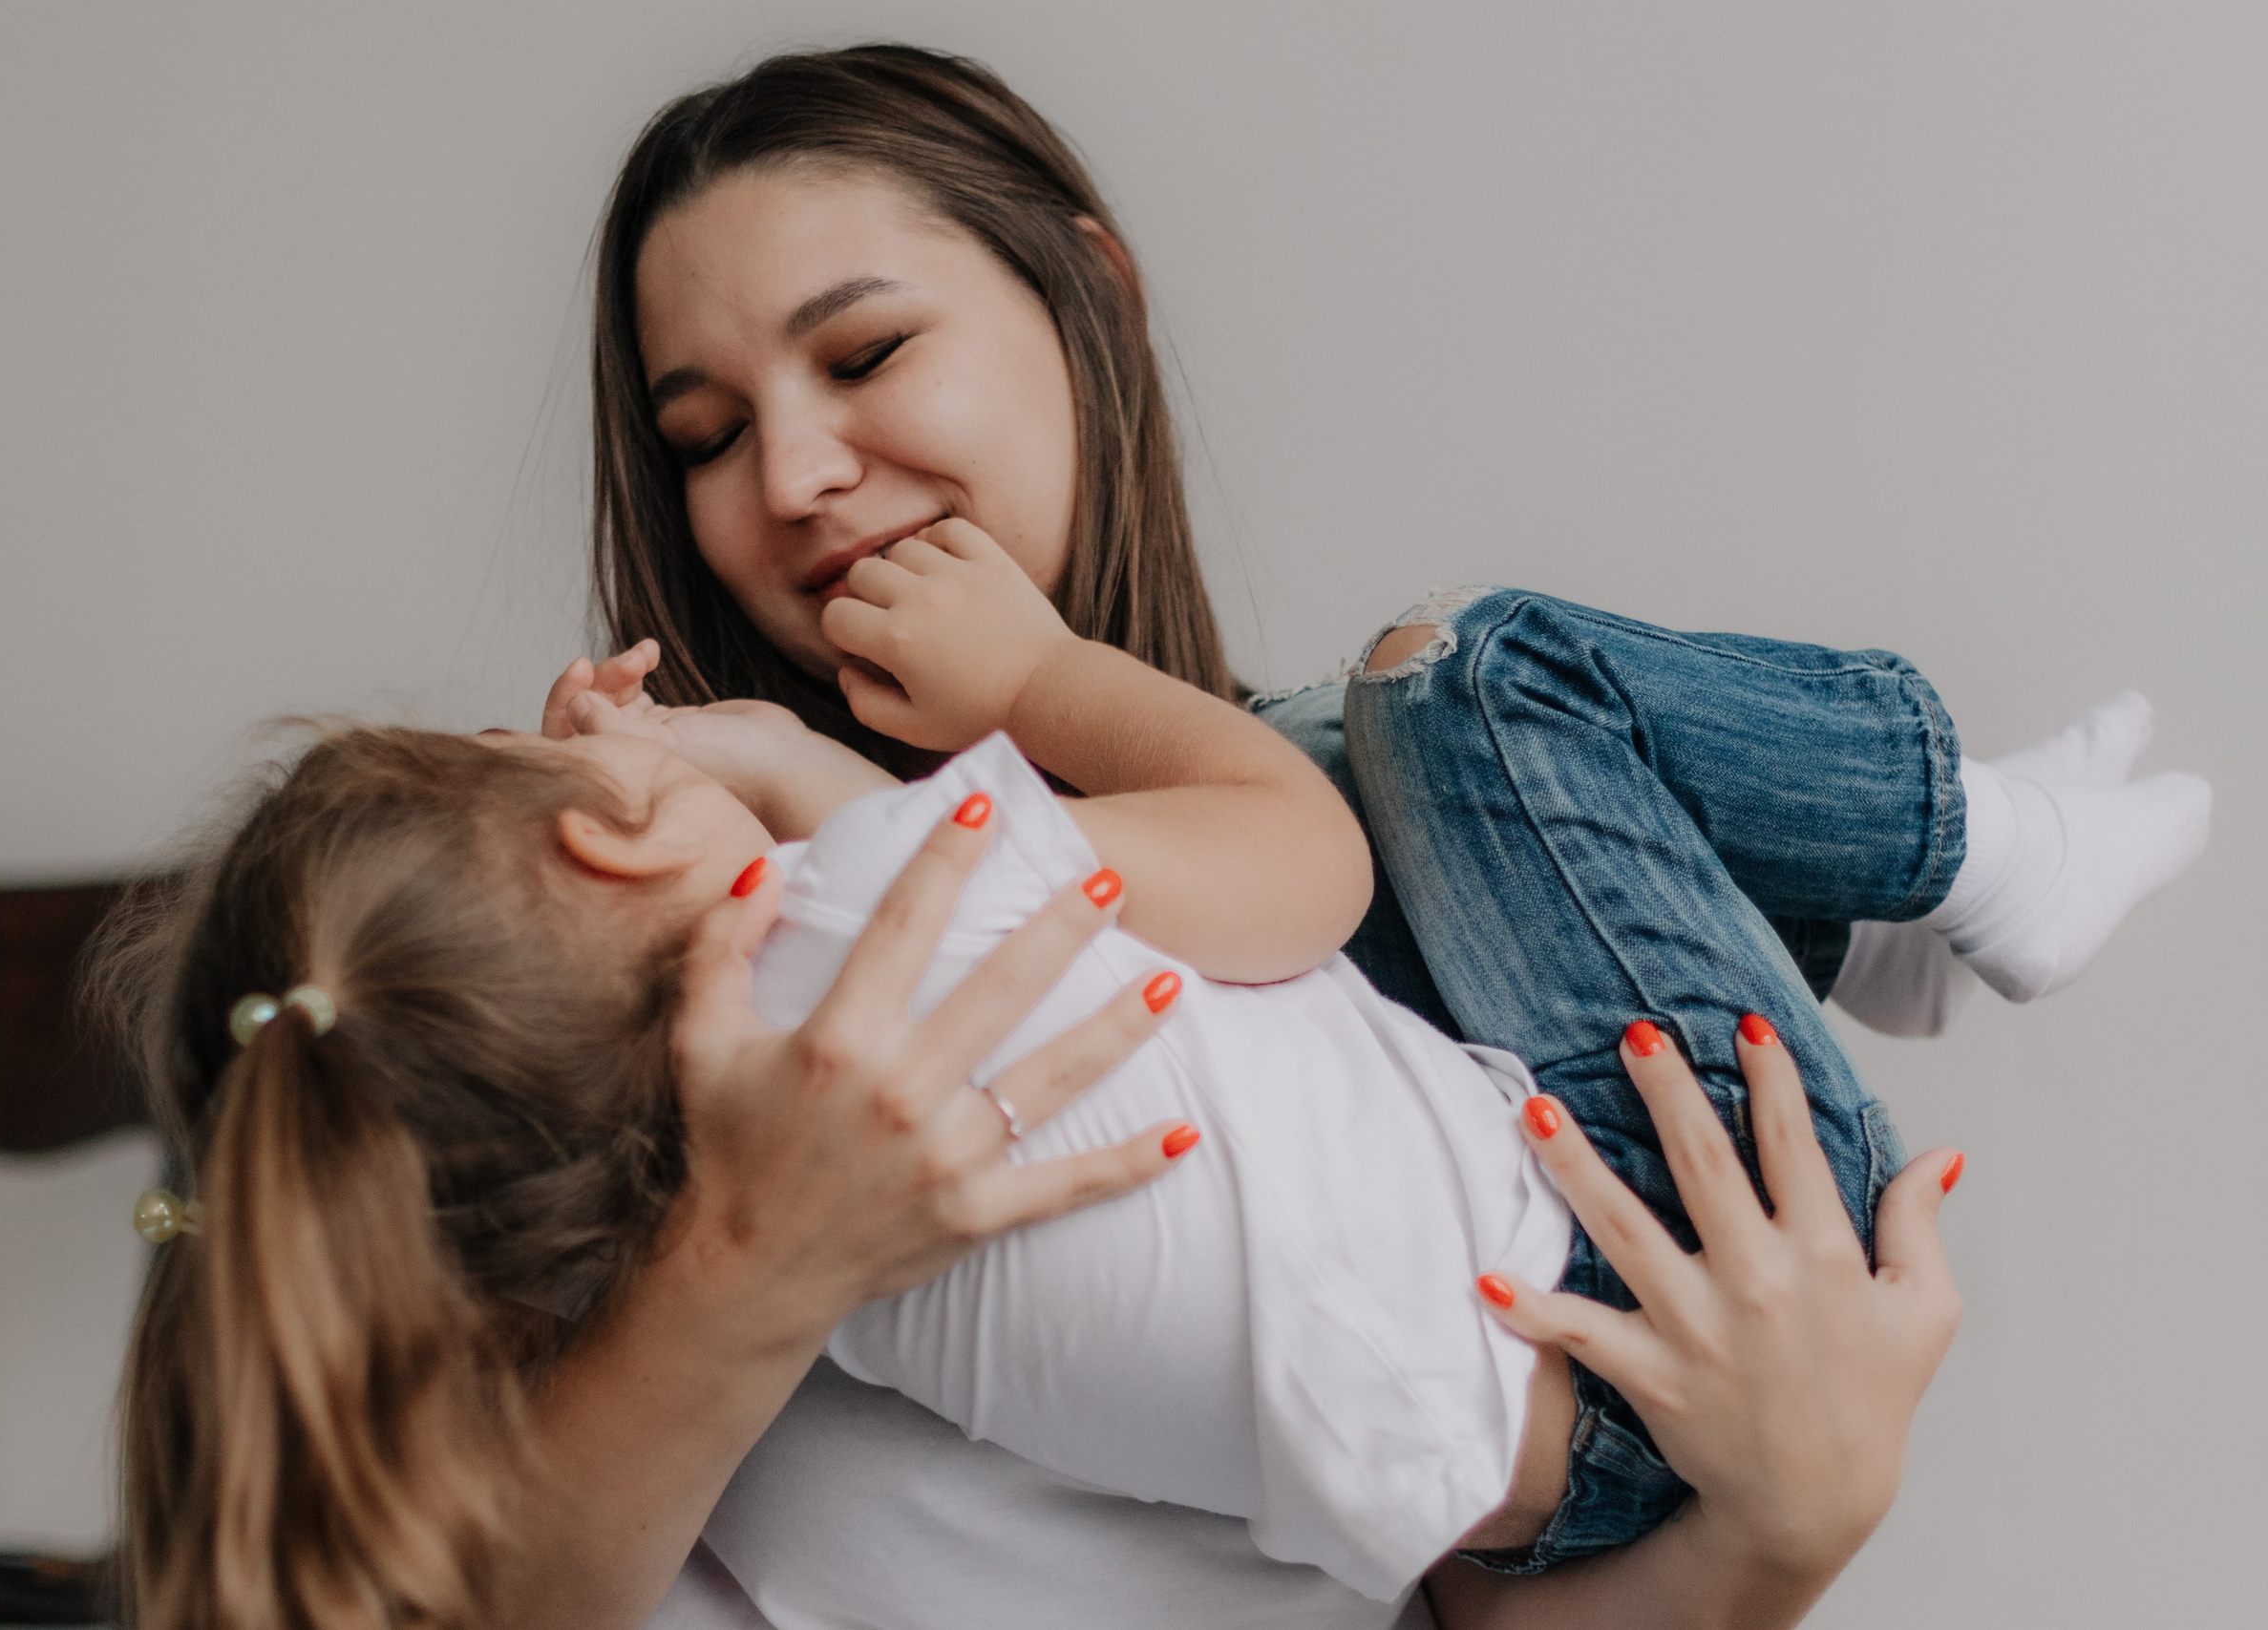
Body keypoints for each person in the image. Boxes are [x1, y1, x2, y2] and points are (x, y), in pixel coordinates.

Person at [533, 41, 2206, 1630]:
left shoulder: (1349, 876)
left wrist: (1791, 1518)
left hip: (1602, 1354)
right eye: (707, 438)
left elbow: (1479, 1584)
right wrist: (738, 1269)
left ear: (1087, 301)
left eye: (864, 354)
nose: (797, 474)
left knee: (1396, 720)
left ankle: (1910, 881)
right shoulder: (626, 944)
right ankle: (1934, 871)